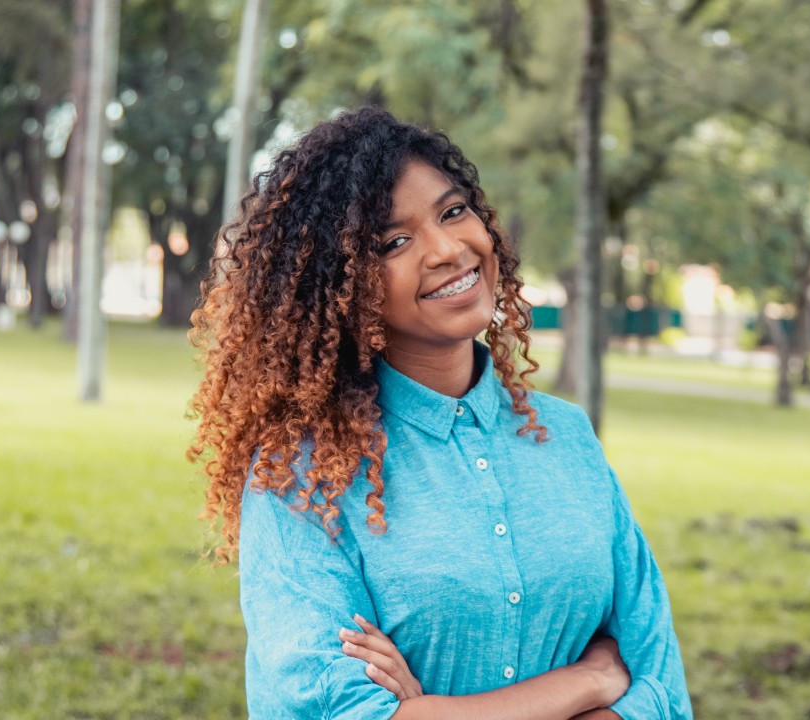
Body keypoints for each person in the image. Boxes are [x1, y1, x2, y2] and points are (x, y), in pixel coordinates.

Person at [188, 107, 692, 720]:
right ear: (339, 285)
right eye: (394, 242)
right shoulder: (301, 476)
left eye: (454, 211)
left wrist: (435, 709)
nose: (449, 250)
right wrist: (587, 682)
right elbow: (340, 711)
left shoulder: (565, 435)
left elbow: (657, 683)